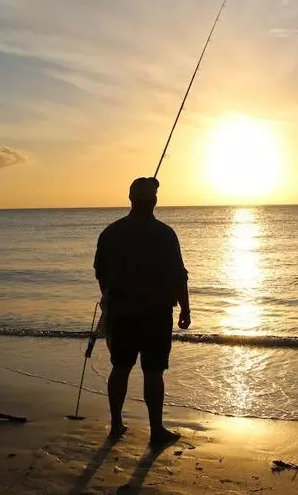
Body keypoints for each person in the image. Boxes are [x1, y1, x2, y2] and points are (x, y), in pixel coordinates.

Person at [93, 176, 190, 446]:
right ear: (154, 201)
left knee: (120, 367)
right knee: (153, 372)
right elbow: (179, 276)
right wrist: (185, 308)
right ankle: (156, 430)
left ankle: (116, 424)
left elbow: (101, 273)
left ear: (130, 199)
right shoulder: (165, 234)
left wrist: (109, 299)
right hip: (155, 314)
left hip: (121, 313)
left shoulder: (111, 233)